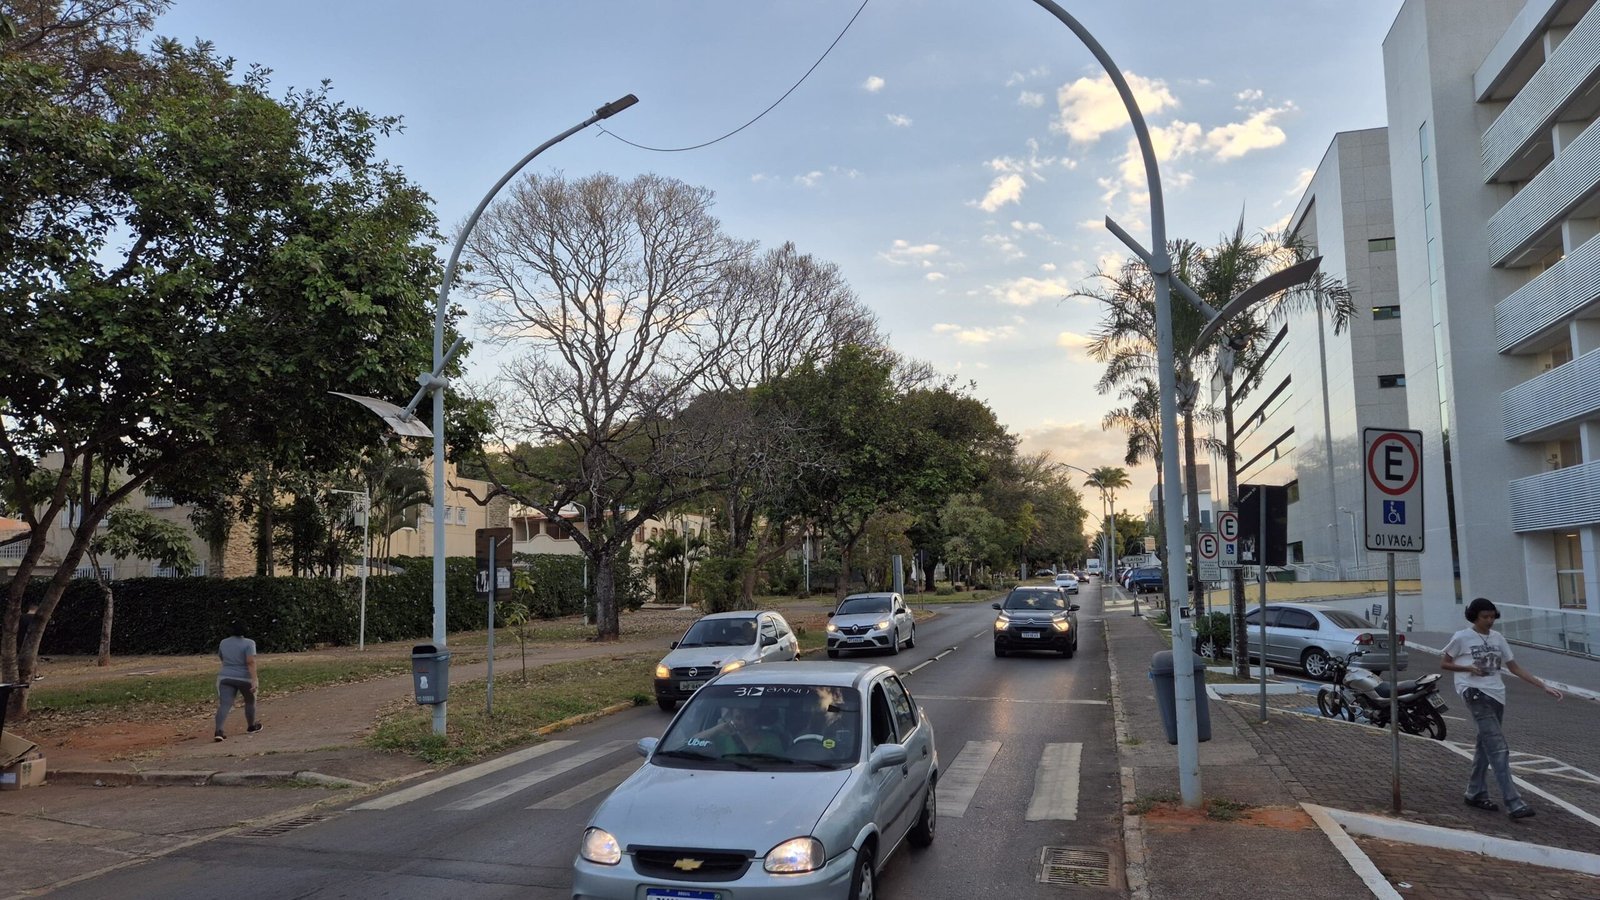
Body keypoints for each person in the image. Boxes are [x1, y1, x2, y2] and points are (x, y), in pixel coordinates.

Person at [1441, 597, 1562, 818]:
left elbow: (1514, 667)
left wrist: (1543, 686)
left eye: (1492, 616)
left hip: (1496, 694)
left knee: (1485, 744)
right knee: (1498, 748)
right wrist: (1468, 668)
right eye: (1484, 617)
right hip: (1474, 693)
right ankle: (1514, 803)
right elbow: (1445, 663)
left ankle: (1475, 792)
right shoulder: (1461, 637)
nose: (1489, 621)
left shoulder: (1498, 638)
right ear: (1474, 617)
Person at [214, 623, 263, 741]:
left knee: (225, 704)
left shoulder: (223, 642)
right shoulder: (249, 643)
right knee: (250, 701)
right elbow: (250, 662)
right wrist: (254, 680)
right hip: (244, 678)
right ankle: (251, 726)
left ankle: (219, 731)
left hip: (225, 676)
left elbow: (222, 658)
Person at [694, 705, 785, 756]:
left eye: (748, 717)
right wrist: (717, 729)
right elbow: (692, 744)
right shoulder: (724, 738)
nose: (744, 722)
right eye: (738, 718)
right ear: (732, 719)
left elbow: (780, 766)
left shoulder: (771, 740)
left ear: (755, 717)